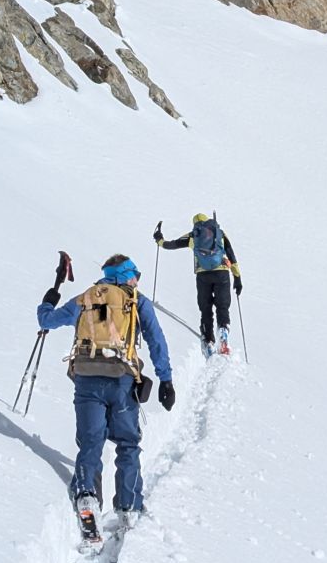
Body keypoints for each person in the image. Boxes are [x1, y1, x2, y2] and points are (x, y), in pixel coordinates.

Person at [38, 253, 175, 537]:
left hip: (86, 378)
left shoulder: (87, 298)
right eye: (135, 275)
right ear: (127, 275)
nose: (137, 281)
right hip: (122, 380)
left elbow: (47, 320)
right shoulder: (136, 301)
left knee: (91, 441)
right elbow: (156, 341)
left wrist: (49, 299)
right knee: (127, 443)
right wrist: (166, 379)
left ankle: (87, 496)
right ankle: (129, 507)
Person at [154, 212, 242, 355]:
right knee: (222, 306)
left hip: (203, 275)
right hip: (222, 273)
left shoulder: (192, 236)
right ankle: (223, 330)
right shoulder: (219, 233)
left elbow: (171, 244)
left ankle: (208, 341)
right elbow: (231, 254)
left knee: (205, 308)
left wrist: (159, 240)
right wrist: (237, 278)